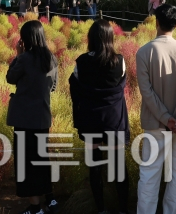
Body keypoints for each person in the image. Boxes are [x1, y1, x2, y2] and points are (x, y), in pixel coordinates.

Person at [135, 5, 176, 214]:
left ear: (156, 22)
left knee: (149, 176)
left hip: (155, 125)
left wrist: (165, 118)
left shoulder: (144, 52)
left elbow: (147, 93)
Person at [70, 19, 129, 214]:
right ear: (110, 37)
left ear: (91, 38)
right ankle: (122, 209)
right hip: (113, 119)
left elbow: (75, 86)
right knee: (118, 165)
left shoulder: (82, 61)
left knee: (95, 165)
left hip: (90, 119)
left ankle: (101, 209)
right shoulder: (119, 61)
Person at [6, 20, 59, 214]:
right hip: (42, 117)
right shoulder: (51, 58)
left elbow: (10, 78)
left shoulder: (25, 58)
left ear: (26, 39)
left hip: (24, 119)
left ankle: (36, 208)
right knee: (41, 160)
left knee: (25, 164)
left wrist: (18, 56)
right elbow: (53, 86)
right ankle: (50, 199)